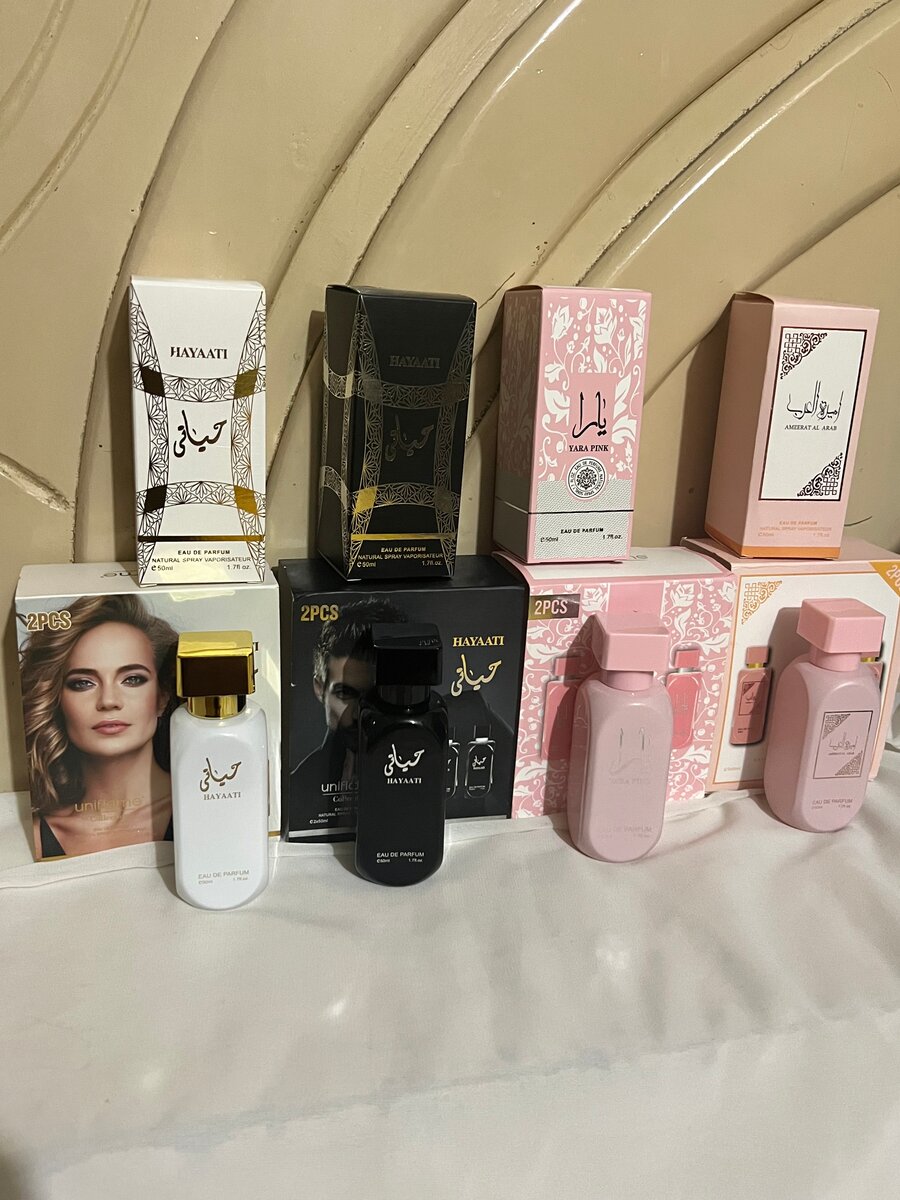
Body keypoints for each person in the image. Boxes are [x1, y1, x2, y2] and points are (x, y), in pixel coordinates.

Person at [20, 594, 179, 859]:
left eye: (132, 679)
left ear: (162, 696)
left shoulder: (202, 807)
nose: (108, 701)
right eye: (83, 683)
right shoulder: (35, 835)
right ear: (57, 701)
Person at [293, 599, 406, 829]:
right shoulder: (297, 789)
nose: (359, 714)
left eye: (376, 695)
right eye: (345, 693)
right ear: (319, 688)